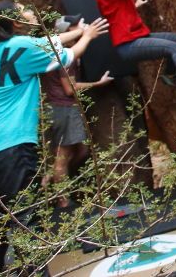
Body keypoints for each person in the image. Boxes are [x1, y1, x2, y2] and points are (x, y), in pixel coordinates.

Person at [0, 1, 108, 276]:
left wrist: (80, 30)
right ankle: (35, 272)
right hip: (13, 144)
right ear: (17, 23)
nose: (32, 11)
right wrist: (88, 38)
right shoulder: (23, 45)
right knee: (27, 215)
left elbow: (51, 41)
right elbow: (67, 56)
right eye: (25, 9)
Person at [41, 14, 114, 207]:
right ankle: (62, 201)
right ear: (66, 31)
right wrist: (98, 83)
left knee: (80, 150)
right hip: (63, 108)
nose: (81, 27)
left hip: (59, 108)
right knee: (62, 156)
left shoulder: (58, 50)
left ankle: (51, 182)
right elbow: (69, 88)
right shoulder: (66, 55)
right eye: (75, 26)